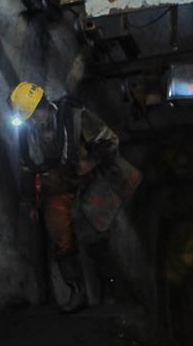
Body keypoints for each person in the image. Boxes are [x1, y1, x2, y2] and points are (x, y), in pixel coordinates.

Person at [10, 82, 140, 314]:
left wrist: (91, 162)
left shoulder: (76, 117)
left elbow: (110, 141)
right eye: (26, 119)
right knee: (61, 237)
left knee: (94, 235)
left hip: (86, 182)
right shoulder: (26, 132)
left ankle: (110, 290)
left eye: (32, 116)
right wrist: (29, 201)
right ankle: (76, 290)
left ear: (44, 107)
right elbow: (27, 167)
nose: (31, 123)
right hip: (57, 187)